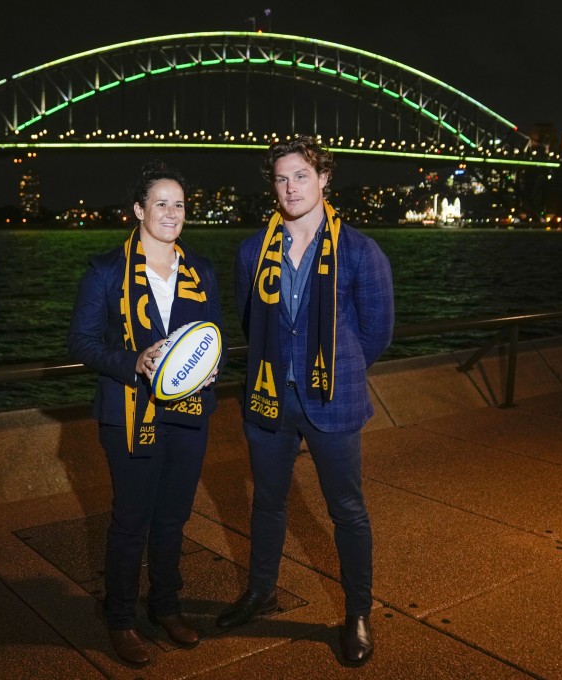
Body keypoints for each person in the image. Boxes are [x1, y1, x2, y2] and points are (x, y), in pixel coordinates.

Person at [217, 136, 394, 666]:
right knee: (267, 502)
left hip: (331, 400)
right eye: (281, 178)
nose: (290, 187)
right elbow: (252, 320)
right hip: (270, 397)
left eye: (301, 175)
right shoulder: (253, 251)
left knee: (348, 511)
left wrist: (336, 370)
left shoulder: (360, 250)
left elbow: (378, 333)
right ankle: (261, 591)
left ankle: (358, 612)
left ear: (324, 180)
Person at [66, 161, 225, 668]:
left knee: (174, 519)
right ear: (138, 210)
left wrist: (210, 368)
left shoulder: (201, 271)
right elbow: (82, 343)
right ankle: (120, 619)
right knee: (131, 521)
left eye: (179, 204)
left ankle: (166, 607)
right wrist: (132, 361)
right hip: (130, 414)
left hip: (189, 412)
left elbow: (213, 337)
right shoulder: (106, 271)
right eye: (160, 203)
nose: (171, 213)